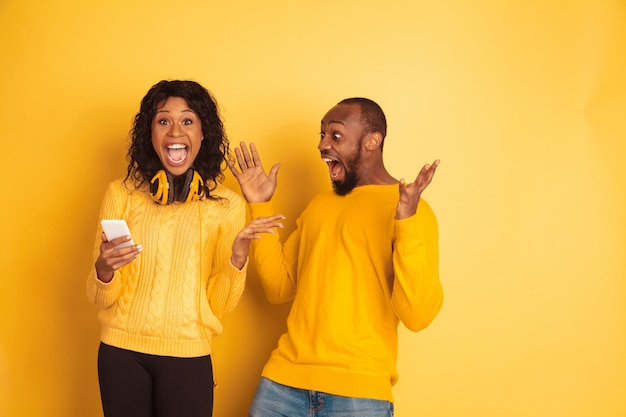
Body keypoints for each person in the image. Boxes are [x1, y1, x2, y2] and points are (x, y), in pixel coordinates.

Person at [228, 97, 444, 416]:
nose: (322, 144)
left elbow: (418, 315)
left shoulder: (411, 211)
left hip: (359, 395)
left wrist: (406, 224)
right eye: (322, 134)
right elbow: (278, 287)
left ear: (372, 141)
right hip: (282, 385)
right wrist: (260, 206)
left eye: (335, 135)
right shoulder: (320, 205)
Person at [86, 80, 262, 417]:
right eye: (163, 121)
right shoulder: (121, 194)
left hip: (188, 355)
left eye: (188, 121)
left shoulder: (227, 205)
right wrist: (104, 269)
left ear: (202, 134)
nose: (175, 131)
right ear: (150, 135)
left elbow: (219, 306)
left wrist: (237, 259)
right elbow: (100, 297)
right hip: (120, 353)